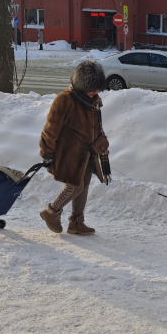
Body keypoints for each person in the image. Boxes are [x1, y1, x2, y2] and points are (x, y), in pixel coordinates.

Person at [39, 61, 110, 235]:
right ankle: (51, 211)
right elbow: (50, 130)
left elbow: (95, 126)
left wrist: (100, 143)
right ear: (81, 84)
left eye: (96, 88)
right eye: (90, 88)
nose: (94, 92)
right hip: (68, 152)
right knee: (75, 187)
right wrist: (47, 154)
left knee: (84, 186)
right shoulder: (65, 99)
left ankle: (76, 223)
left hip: (87, 153)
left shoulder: (93, 102)